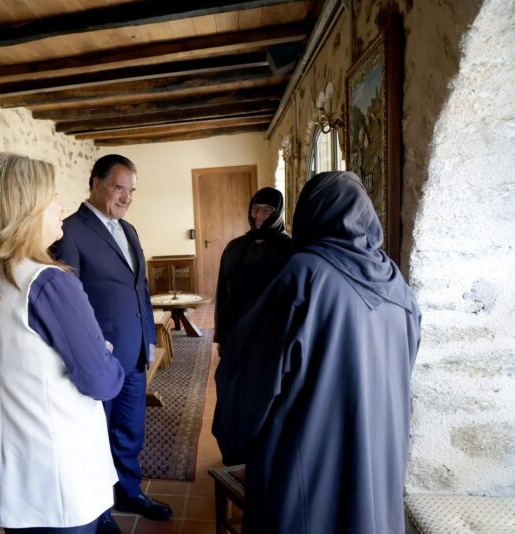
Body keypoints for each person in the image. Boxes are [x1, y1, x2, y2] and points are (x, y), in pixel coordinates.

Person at [212, 171, 421, 533]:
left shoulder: (305, 274)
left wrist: (236, 441)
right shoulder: (395, 282)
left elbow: (251, 379)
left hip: (307, 457)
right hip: (379, 451)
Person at [0, 152, 125, 534]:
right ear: (26, 208)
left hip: (11, 470)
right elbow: (101, 381)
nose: (62, 206)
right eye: (53, 196)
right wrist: (104, 354)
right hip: (56, 472)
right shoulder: (46, 283)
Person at [53, 154, 171, 533]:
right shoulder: (69, 231)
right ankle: (101, 510)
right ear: (96, 183)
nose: (126, 198)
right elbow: (68, 298)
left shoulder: (128, 229)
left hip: (134, 352)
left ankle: (130, 492)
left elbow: (141, 287)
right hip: (98, 357)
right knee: (96, 436)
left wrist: (149, 336)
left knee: (130, 430)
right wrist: (89, 349)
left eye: (131, 191)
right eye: (119, 188)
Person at [214, 187, 292, 362]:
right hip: (237, 326)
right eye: (255, 209)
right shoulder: (235, 247)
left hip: (274, 332)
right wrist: (221, 335)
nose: (258, 215)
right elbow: (223, 293)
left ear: (277, 213)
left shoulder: (289, 248)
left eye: (266, 210)